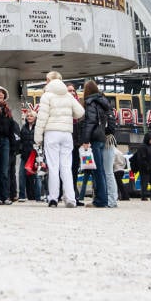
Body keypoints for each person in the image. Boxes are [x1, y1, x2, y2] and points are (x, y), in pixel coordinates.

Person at [33, 71, 84, 207]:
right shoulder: (68, 95)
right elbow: (80, 112)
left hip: (52, 133)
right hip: (67, 134)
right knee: (66, 167)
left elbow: (42, 118)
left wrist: (38, 137)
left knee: (54, 166)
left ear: (48, 80)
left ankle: (53, 198)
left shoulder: (47, 96)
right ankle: (71, 199)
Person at [0, 86, 16, 204]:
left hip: (5, 141)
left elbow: (11, 128)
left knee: (5, 171)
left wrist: (13, 145)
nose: (1, 95)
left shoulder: (7, 109)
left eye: (2, 93)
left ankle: (5, 196)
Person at [18, 110, 37, 202]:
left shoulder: (37, 127)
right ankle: (22, 195)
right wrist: (21, 149)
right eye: (28, 116)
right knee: (22, 175)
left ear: (35, 118)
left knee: (35, 176)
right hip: (25, 155)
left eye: (31, 116)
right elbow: (21, 140)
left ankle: (35, 196)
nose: (29, 117)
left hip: (35, 155)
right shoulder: (23, 127)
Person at [133, 133, 151, 200]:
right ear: (147, 139)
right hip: (145, 170)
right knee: (144, 184)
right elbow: (142, 159)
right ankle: (144, 196)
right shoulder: (142, 147)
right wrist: (147, 167)